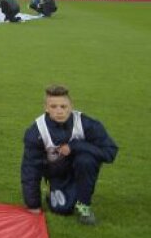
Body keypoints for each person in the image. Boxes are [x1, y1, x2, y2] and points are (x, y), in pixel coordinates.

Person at [21, 85, 118, 225]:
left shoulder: (87, 124)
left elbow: (110, 152)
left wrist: (75, 146)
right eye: (53, 106)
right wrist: (33, 205)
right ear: (46, 108)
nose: (59, 111)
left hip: (81, 167)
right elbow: (30, 169)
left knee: (86, 159)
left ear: (71, 106)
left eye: (63, 106)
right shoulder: (36, 132)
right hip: (56, 172)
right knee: (63, 210)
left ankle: (84, 206)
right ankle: (54, 189)